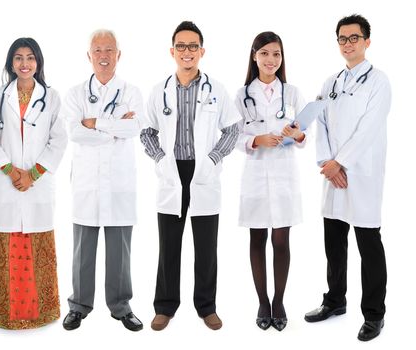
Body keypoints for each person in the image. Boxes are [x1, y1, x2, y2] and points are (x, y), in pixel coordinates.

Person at [141, 20, 240, 331]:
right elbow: (146, 132)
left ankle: (206, 306)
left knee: (206, 246)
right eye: (181, 46)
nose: (187, 52)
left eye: (192, 46)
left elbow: (233, 129)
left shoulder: (217, 90)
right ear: (172, 51)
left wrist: (213, 158)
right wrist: (159, 160)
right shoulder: (160, 91)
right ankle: (165, 306)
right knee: (168, 245)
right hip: (172, 174)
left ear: (202, 51)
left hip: (203, 172)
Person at [304, 14, 391, 342]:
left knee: (369, 245)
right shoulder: (331, 82)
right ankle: (335, 301)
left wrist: (341, 162)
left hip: (361, 174)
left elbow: (368, 128)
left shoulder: (379, 81)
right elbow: (320, 122)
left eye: (354, 37)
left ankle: (374, 314)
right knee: (334, 242)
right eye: (342, 38)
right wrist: (328, 162)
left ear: (367, 42)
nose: (348, 43)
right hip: (333, 174)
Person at [0, 37, 67, 330]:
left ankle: (41, 310)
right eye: (18, 58)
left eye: (30, 57)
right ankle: (4, 309)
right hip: (7, 182)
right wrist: (11, 170)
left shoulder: (52, 98)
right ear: (10, 63)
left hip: (37, 184)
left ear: (38, 62)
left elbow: (59, 140)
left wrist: (33, 174)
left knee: (36, 240)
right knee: (7, 239)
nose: (25, 63)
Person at [61, 29, 145, 332]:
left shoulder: (132, 91)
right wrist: (113, 128)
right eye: (97, 50)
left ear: (119, 55)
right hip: (87, 183)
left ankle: (121, 307)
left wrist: (95, 123)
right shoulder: (75, 94)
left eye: (109, 50)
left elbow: (135, 127)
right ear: (89, 56)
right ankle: (80, 305)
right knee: (83, 248)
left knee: (120, 250)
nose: (104, 56)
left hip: (120, 183)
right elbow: (74, 132)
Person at [234, 32, 307, 332]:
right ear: (254, 56)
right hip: (255, 174)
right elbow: (231, 135)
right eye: (264, 53)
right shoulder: (241, 96)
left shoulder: (291, 93)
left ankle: (279, 301)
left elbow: (305, 132)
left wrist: (297, 135)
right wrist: (255, 141)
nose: (270, 60)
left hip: (284, 175)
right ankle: (262, 301)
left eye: (276, 54)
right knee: (257, 239)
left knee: (281, 240)